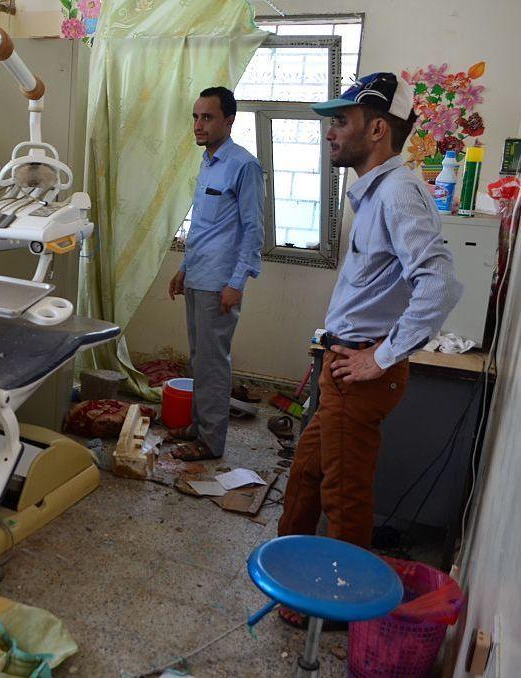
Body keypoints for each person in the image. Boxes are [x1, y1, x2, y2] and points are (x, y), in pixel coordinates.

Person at [276, 72, 462, 626]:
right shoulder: (378, 190)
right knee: (308, 474)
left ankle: (338, 608)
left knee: (346, 494)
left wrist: (380, 356)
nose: (331, 132)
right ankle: (290, 579)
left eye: (342, 121)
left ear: (377, 128)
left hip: (359, 373)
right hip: (342, 362)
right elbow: (379, 284)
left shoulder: (399, 192)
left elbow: (441, 283)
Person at [168, 86, 264, 461]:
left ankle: (210, 443)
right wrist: (183, 268)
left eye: (207, 117)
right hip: (198, 276)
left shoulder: (244, 165)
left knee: (213, 362)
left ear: (229, 120)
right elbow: (205, 227)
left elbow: (253, 230)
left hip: (220, 283)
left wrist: (236, 283)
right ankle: (198, 427)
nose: (198, 125)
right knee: (198, 359)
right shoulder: (208, 162)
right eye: (195, 117)